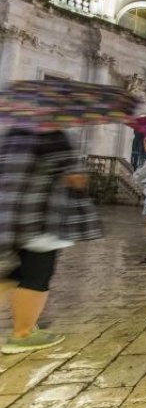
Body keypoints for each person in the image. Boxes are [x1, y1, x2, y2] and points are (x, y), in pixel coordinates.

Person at [0, 128, 102, 354]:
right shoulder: (53, 136)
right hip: (40, 217)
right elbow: (75, 178)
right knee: (36, 275)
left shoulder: (13, 135)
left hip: (8, 214)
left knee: (15, 272)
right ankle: (23, 334)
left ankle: (25, 323)